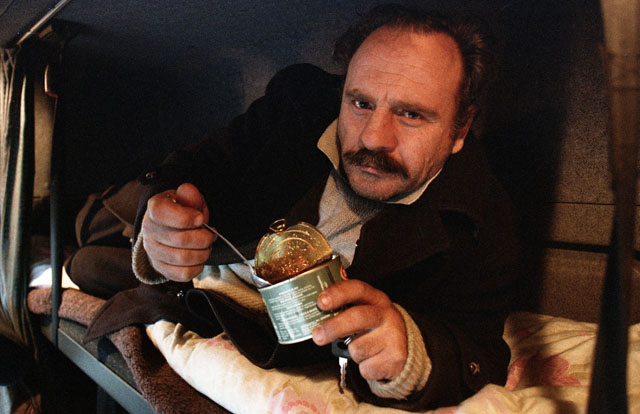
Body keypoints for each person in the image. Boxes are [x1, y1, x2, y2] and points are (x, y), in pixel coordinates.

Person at [93, 4, 520, 411]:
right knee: (92, 235)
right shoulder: (297, 104)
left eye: (410, 114)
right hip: (189, 272)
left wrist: (412, 353)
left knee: (90, 261)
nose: (373, 138)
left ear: (460, 128)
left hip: (239, 321)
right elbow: (200, 164)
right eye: (360, 103)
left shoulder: (484, 221)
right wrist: (160, 216)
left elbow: (476, 351)